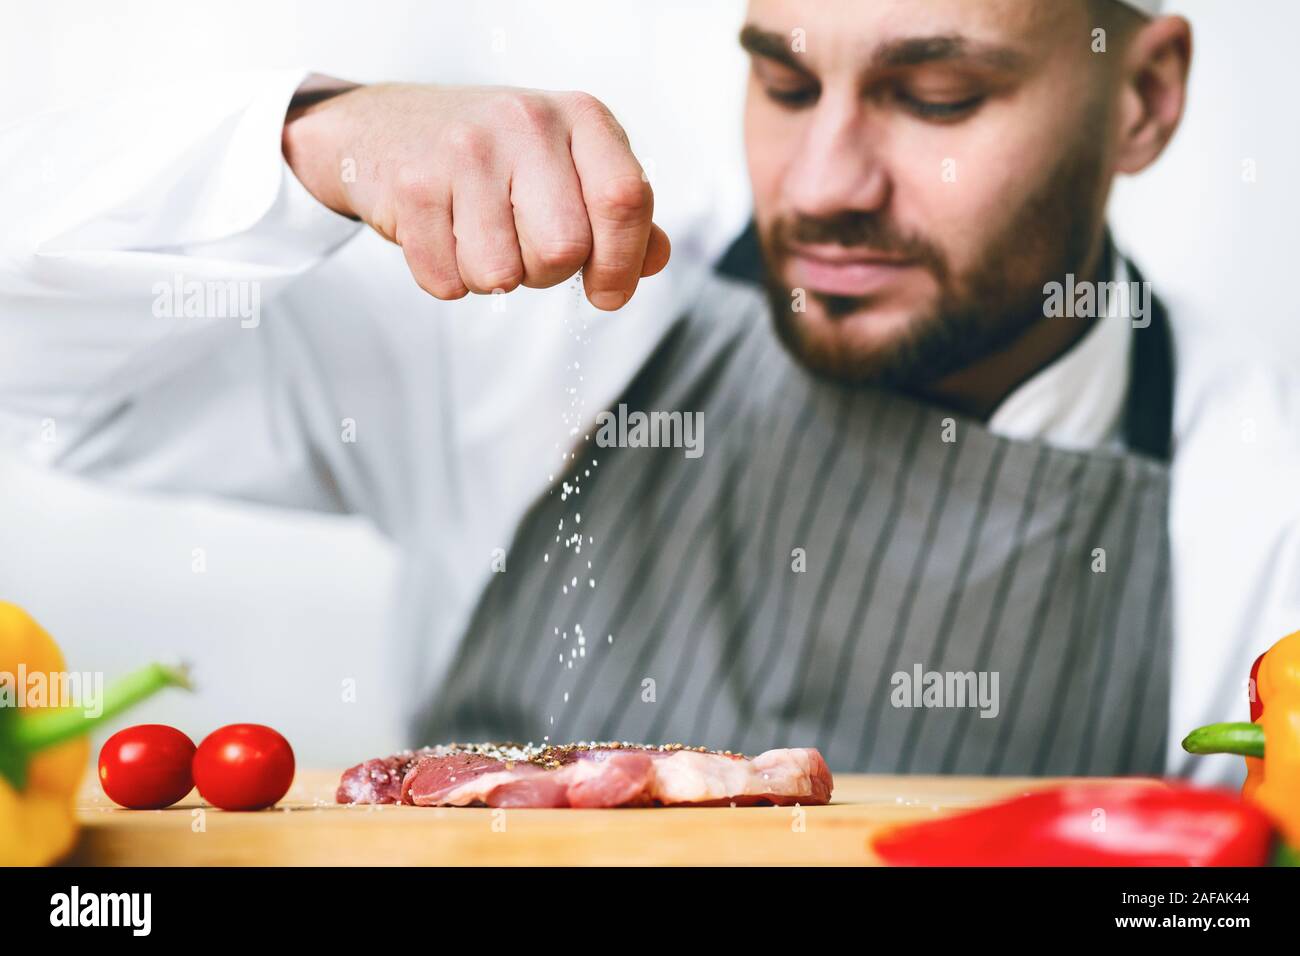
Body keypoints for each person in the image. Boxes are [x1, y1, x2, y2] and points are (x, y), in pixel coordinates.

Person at [2, 0, 1296, 779]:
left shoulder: (1261, 504)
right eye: (784, 83)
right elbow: (39, 372)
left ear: (1145, 97)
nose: (828, 179)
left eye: (937, 97)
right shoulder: (538, 316)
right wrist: (302, 143)